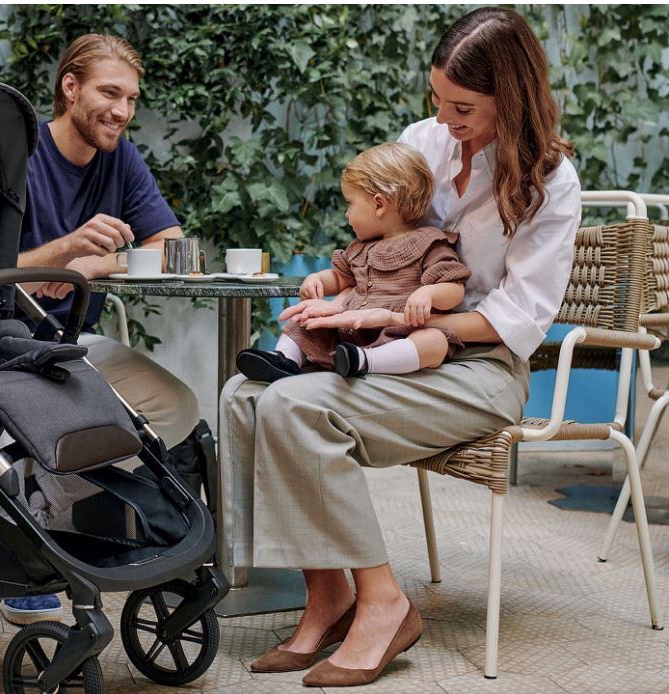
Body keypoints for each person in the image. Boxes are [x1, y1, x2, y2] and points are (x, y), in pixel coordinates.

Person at [219, 7, 580, 686]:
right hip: (391, 339)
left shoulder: (549, 183)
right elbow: (381, 239)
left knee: (298, 407)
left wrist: (406, 324)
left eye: (463, 106)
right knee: (243, 396)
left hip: (478, 368)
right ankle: (327, 594)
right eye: (437, 99)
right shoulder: (424, 141)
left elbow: (520, 316)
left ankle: (383, 604)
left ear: (514, 96)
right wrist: (341, 294)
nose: (445, 119)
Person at [2, 33, 200, 626]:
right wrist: (63, 253)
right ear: (70, 88)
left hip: (72, 344)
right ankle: (29, 549)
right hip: (1, 344)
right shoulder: (19, 154)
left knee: (179, 408)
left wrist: (97, 265)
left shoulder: (122, 158)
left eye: (131, 99)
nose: (122, 111)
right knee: (57, 416)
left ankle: (79, 518)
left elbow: (172, 246)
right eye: (109, 93)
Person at [235, 142, 470, 383]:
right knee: (308, 321)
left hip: (399, 333)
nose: (347, 215)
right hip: (348, 330)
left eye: (350, 203)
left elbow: (455, 287)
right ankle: (284, 359)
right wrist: (317, 280)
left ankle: (366, 361)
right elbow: (340, 278)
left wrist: (429, 293)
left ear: (379, 204)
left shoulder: (429, 242)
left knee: (434, 341)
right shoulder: (360, 248)